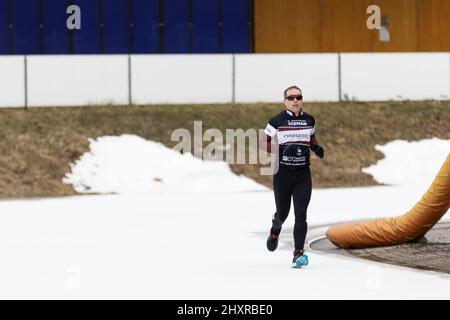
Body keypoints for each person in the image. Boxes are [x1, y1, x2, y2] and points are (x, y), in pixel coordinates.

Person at [260, 85, 324, 268]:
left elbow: (311, 139)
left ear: (302, 99)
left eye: (298, 97)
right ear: (285, 101)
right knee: (283, 214)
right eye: (291, 97)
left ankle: (298, 254)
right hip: (282, 175)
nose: (295, 100)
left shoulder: (309, 120)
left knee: (301, 215)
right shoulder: (276, 120)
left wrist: (316, 148)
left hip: (303, 174)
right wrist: (278, 150)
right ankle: (275, 229)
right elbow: (263, 143)